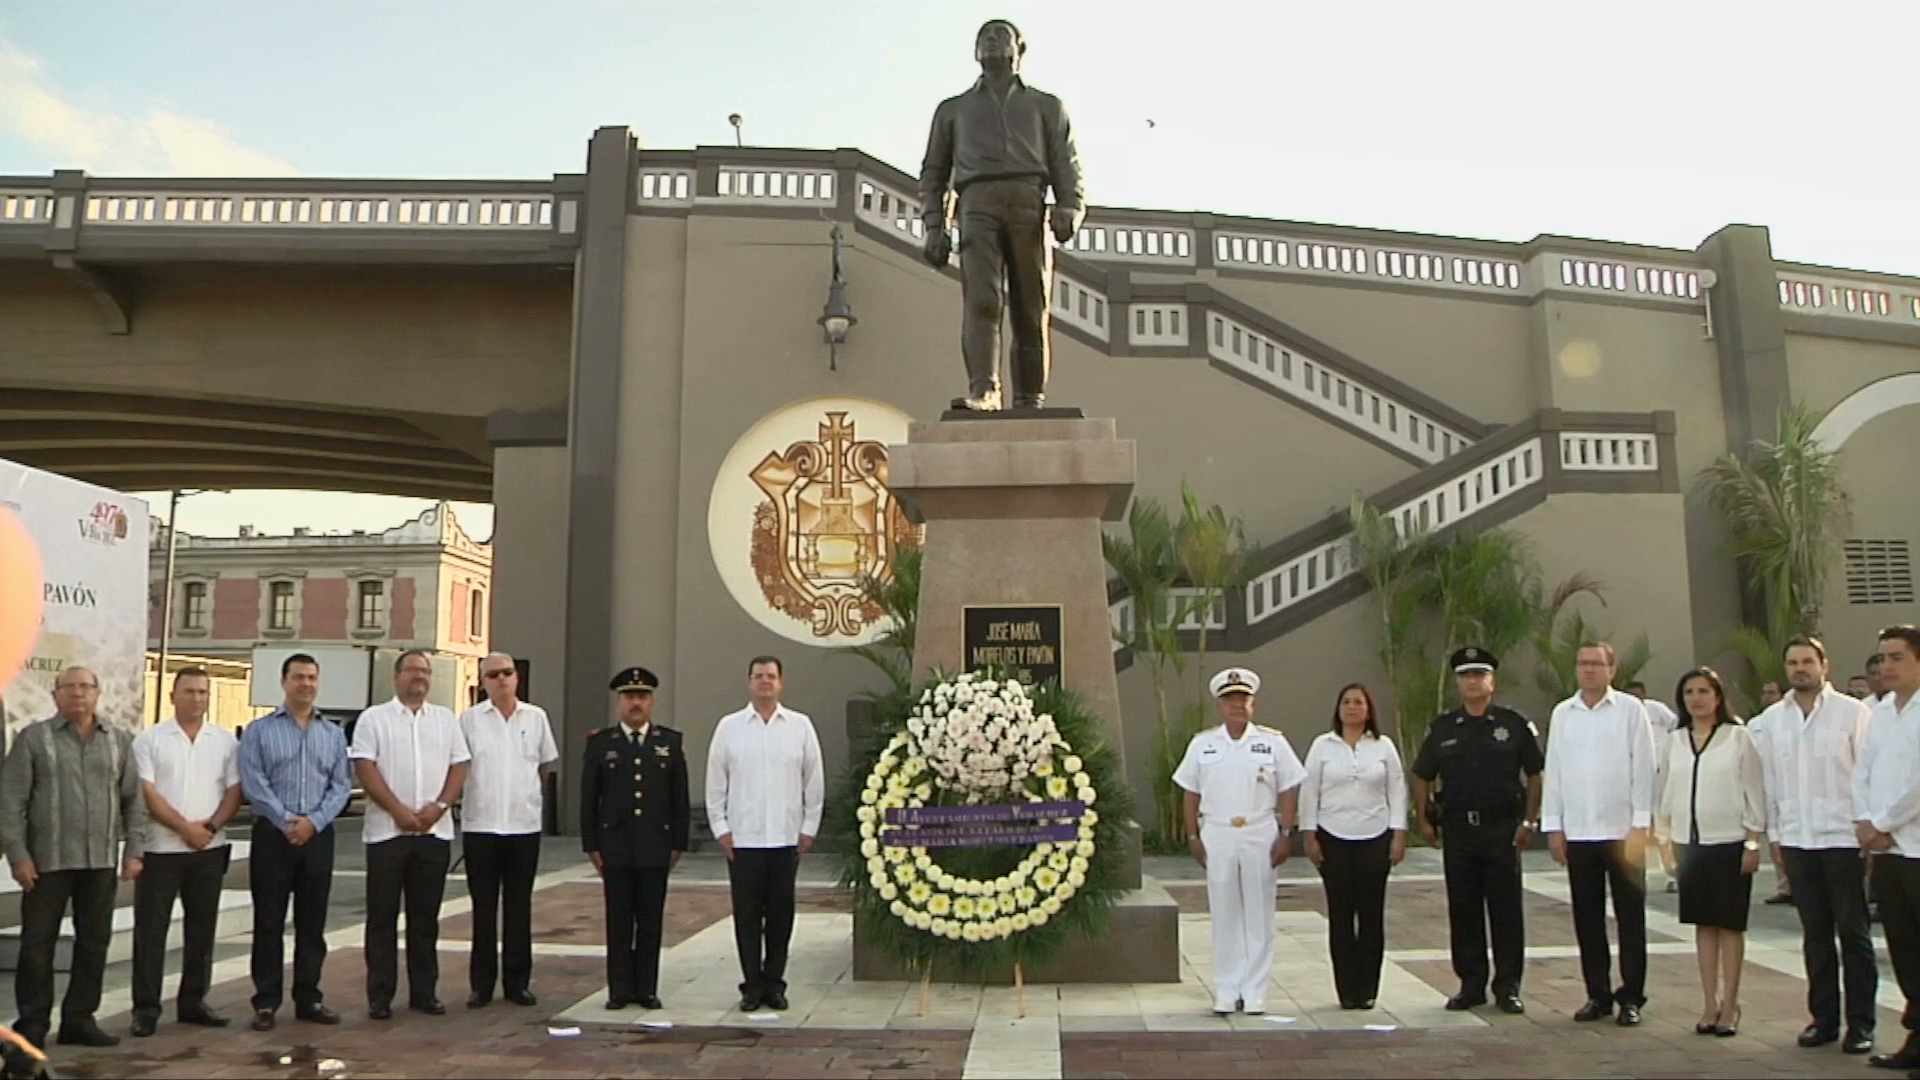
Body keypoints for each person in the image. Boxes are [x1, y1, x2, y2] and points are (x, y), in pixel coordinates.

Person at [918, 18, 1085, 411]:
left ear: (1019, 50)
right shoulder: (953, 110)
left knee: (1031, 303)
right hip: (976, 204)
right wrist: (933, 225)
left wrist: (1070, 206)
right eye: (983, 37)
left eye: (1000, 35)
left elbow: (1067, 164)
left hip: (1029, 203)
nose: (990, 41)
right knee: (981, 300)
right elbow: (934, 173)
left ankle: (1029, 396)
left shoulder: (1046, 106)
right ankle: (984, 388)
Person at [0, 667, 145, 1051]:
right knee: (37, 945)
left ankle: (79, 1020)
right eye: (70, 687)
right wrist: (18, 855)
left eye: (86, 687)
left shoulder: (119, 741)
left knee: (94, 943)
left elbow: (134, 800)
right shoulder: (34, 739)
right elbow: (10, 802)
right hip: (46, 862)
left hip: (99, 861)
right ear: (56, 694)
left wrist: (134, 850)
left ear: (98, 693)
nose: (78, 693)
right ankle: (32, 1023)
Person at [1750, 635, 1875, 1056]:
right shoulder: (1772, 720)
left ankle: (1861, 1024)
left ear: (1825, 665)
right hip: (1798, 840)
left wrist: (1866, 828)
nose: (1800, 668)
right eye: (1792, 662)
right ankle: (1823, 1019)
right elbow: (1769, 783)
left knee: (1853, 935)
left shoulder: (1853, 714)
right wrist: (1775, 836)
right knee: (1815, 935)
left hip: (1842, 839)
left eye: (1807, 661)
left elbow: (1867, 773)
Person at [1410, 646, 1544, 1015]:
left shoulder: (1513, 724)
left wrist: (1530, 821)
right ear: (1459, 683)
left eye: (1479, 675)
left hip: (1502, 830)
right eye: (1466, 676)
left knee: (1506, 911)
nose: (1472, 681)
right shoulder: (1443, 728)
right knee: (1464, 910)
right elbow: (1422, 773)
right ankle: (1471, 985)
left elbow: (1535, 773)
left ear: (1492, 682)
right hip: (1458, 831)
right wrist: (1423, 818)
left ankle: (1508, 987)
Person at [1173, 667, 1306, 1015]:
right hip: (1217, 831)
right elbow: (1189, 791)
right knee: (1225, 912)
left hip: (1260, 830)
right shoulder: (1203, 744)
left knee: (1259, 913)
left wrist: (1287, 833)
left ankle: (1256, 990)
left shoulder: (1272, 742)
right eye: (1230, 699)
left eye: (1243, 699)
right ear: (1219, 705)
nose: (1237, 705)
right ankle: (1227, 989)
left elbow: (1289, 787)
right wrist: (1192, 835)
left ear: (1253, 704)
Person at [1541, 641, 1655, 1027]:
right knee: (1587, 917)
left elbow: (1644, 767)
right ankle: (1597, 995)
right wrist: (1554, 827)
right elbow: (1553, 771)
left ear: (1611, 669)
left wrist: (1641, 822)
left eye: (1596, 664)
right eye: (1582, 663)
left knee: (1630, 917)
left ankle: (1632, 996)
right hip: (1580, 830)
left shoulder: (1629, 710)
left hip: (1623, 830)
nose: (1588, 670)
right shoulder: (1563, 713)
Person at [350, 650, 469, 1020]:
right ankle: (380, 996)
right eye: (412, 670)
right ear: (397, 675)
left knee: (425, 919)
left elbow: (459, 765)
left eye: (425, 671)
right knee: (382, 918)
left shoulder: (446, 720)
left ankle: (424, 992)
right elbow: (365, 767)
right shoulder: (374, 719)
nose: (419, 676)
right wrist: (398, 811)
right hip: (387, 834)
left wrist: (439, 806)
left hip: (433, 834)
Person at [238, 653, 352, 1032]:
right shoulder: (259, 731)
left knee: (312, 922)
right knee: (269, 921)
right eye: (299, 677)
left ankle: (310, 997)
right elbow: (254, 782)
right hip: (273, 836)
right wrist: (287, 821)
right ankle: (266, 1002)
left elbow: (341, 786)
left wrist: (313, 823)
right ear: (284, 682)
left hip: (317, 837)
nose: (306, 684)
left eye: (312, 677)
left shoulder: (333, 734)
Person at [1652, 667, 1765, 1038]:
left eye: (1703, 691)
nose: (1696, 698)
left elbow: (1754, 792)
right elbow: (1664, 795)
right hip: (1690, 845)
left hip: (1729, 842)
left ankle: (1732, 1003)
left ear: (1718, 696)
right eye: (1689, 692)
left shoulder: (1738, 737)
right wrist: (1665, 842)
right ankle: (1709, 1002)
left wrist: (1752, 841)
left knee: (1729, 925)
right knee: (1703, 924)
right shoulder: (1676, 740)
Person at [706, 656, 823, 1013]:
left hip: (786, 839)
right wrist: (721, 829)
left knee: (780, 916)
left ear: (781, 683)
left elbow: (813, 781)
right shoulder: (729, 727)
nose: (765, 682)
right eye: (758, 676)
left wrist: (809, 828)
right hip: (744, 841)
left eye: (771, 676)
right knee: (746, 916)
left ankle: (775, 983)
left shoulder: (800, 726)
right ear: (749, 682)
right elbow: (715, 783)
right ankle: (751, 986)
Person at [130, 667, 242, 1037]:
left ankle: (194, 1001)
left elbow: (234, 791)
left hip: (209, 849)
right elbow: (147, 793)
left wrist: (208, 829)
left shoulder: (225, 742)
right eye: (190, 691)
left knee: (202, 928)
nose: (197, 698)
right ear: (172, 696)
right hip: (161, 849)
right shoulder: (150, 740)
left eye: (203, 692)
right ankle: (146, 1008)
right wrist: (184, 828)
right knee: (151, 930)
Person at [582, 666, 690, 1010]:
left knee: (650, 921)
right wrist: (591, 846)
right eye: (629, 697)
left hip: (655, 847)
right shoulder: (601, 744)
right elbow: (589, 799)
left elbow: (679, 798)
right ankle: (619, 989)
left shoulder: (668, 743)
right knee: (618, 920)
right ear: (619, 703)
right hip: (614, 848)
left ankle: (646, 988)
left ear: (652, 702)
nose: (635, 703)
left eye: (642, 697)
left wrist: (678, 844)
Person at [456, 653, 558, 1008]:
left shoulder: (536, 717)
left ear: (517, 678)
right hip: (481, 826)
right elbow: (461, 767)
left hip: (522, 827)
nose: (501, 679)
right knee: (483, 908)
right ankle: (481, 984)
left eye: (507, 673)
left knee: (519, 907)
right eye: (493, 675)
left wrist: (525, 799)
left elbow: (544, 766)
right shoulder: (469, 720)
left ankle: (518, 983)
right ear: (482, 681)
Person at [1300, 683, 1406, 1010]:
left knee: (1371, 916)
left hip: (1375, 836)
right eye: (1346, 701)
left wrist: (1399, 833)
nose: (1352, 707)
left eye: (1358, 702)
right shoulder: (1323, 746)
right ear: (1338, 708)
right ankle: (1347, 991)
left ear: (1369, 709)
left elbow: (1397, 790)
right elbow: (1309, 790)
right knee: (1341, 916)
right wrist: (1309, 833)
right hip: (1333, 838)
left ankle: (1368, 990)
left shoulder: (1383, 746)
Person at [1856, 625, 1920, 1070]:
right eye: (1882, 658)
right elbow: (1863, 770)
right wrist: (1864, 822)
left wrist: (1883, 823)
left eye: (1896, 657)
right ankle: (1916, 1035)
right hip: (1887, 852)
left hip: (1915, 845)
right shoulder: (1878, 712)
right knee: (1903, 946)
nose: (1887, 666)